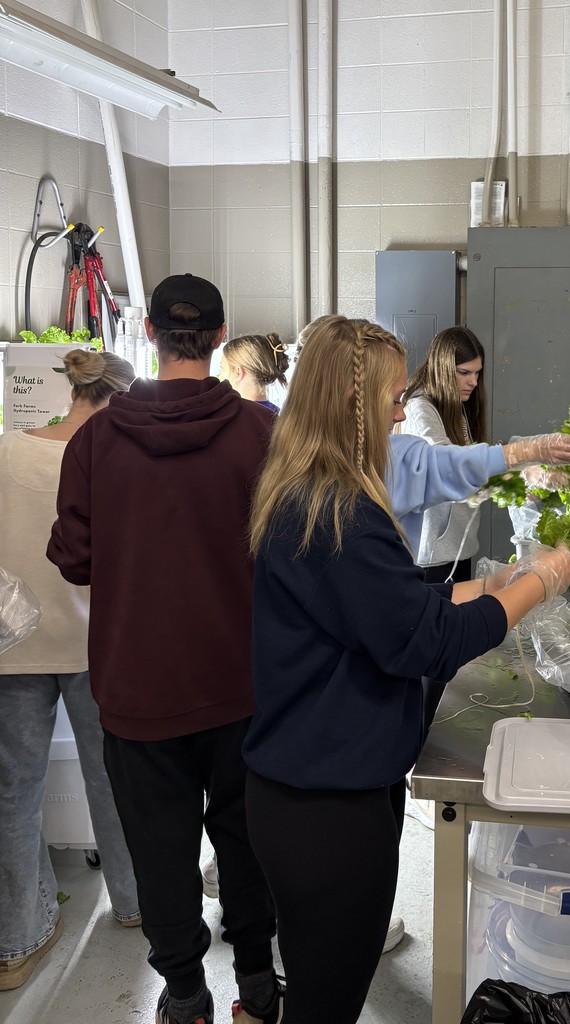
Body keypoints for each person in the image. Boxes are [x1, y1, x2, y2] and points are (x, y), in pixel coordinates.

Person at [241, 316, 570, 1024]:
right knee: (328, 997)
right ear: (354, 407)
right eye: (393, 399)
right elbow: (424, 644)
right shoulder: (341, 512)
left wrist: (486, 586)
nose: (403, 411)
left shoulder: (308, 489)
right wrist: (538, 583)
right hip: (325, 805)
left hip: (309, 787)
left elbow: (382, 612)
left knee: (319, 983)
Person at [48, 274, 282, 1024]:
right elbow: (289, 551)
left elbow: (74, 558)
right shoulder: (261, 434)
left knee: (160, 849)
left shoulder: (94, 441)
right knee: (246, 844)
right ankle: (258, 984)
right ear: (219, 339)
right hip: (243, 685)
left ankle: (184, 993)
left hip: (136, 690)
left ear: (147, 335)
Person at [0, 350, 140, 993]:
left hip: (12, 647)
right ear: (117, 400)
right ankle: (138, 904)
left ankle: (16, 942)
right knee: (116, 779)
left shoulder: (5, 451)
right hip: (94, 643)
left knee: (13, 792)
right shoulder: (112, 460)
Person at [398, 326, 490, 583]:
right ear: (442, 368)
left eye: (477, 373)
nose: (473, 381)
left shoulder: (455, 405)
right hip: (431, 556)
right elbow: (446, 463)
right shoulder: (419, 407)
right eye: (464, 373)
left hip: (458, 546)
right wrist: (508, 464)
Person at [219, 332, 290, 413]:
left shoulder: (232, 416)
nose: (219, 376)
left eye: (222, 368)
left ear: (238, 372)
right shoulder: (277, 415)